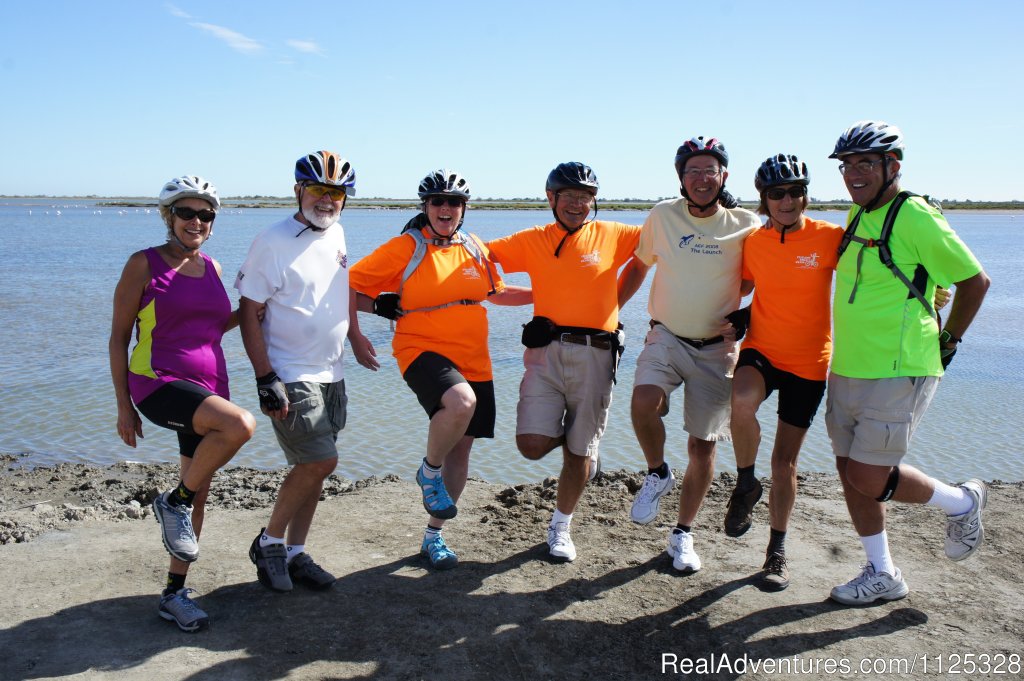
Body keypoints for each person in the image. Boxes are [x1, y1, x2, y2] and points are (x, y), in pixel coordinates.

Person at [825, 121, 990, 605]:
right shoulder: (858, 215)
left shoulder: (915, 215)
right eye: (847, 165)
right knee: (848, 471)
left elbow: (974, 282)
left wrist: (950, 339)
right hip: (848, 366)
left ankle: (962, 501)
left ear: (892, 166)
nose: (854, 173)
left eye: (865, 163)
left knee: (869, 476)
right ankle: (883, 574)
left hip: (900, 368)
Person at [348, 169, 530, 569]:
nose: (445, 208)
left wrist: (546, 295)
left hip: (474, 355)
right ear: (425, 207)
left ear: (464, 209)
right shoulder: (406, 247)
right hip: (420, 347)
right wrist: (358, 330)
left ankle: (434, 537)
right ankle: (428, 473)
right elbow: (347, 285)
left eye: (454, 202)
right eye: (437, 201)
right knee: (459, 402)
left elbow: (495, 294)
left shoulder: (474, 247)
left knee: (461, 449)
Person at [109, 176, 256, 632]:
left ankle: (174, 593)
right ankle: (172, 502)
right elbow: (117, 340)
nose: (196, 221)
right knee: (240, 427)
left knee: (200, 490)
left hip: (208, 385)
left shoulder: (210, 267)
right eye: (187, 213)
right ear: (168, 217)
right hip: (158, 383)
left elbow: (211, 327)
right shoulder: (144, 264)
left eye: (205, 215)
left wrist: (256, 310)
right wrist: (123, 407)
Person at [487, 162, 645, 563]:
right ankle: (583, 444)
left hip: (598, 353)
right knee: (532, 444)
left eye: (586, 197)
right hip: (545, 352)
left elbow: (660, 243)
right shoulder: (532, 239)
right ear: (550, 197)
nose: (578, 205)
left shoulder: (614, 233)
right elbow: (479, 255)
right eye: (570, 196)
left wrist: (615, 304)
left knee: (578, 454)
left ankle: (560, 526)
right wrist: (425, 233)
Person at [627, 137, 760, 574]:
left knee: (702, 447)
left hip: (717, 349)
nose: (702, 178)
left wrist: (747, 316)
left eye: (710, 170)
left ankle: (683, 534)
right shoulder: (662, 215)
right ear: (681, 178)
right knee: (644, 402)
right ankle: (657, 472)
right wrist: (608, 312)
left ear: (724, 176)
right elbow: (639, 265)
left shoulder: (747, 224)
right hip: (666, 335)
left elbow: (765, 281)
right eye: (693, 171)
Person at [236, 150, 357, 593]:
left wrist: (358, 337)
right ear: (298, 190)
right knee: (320, 460)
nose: (327, 200)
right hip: (289, 372)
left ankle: (295, 551)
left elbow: (339, 293)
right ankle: (268, 543)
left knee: (315, 468)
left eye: (337, 192)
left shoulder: (339, 233)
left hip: (332, 372)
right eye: (318, 189)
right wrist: (265, 377)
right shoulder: (272, 240)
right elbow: (249, 313)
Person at [723, 154, 844, 591]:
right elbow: (748, 286)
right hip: (763, 350)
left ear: (805, 194)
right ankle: (744, 483)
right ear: (765, 199)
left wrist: (931, 288)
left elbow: (875, 275)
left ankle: (775, 552)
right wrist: (741, 315)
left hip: (810, 361)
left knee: (785, 462)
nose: (787, 200)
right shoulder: (754, 242)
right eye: (777, 194)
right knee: (739, 402)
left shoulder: (832, 238)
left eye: (795, 191)